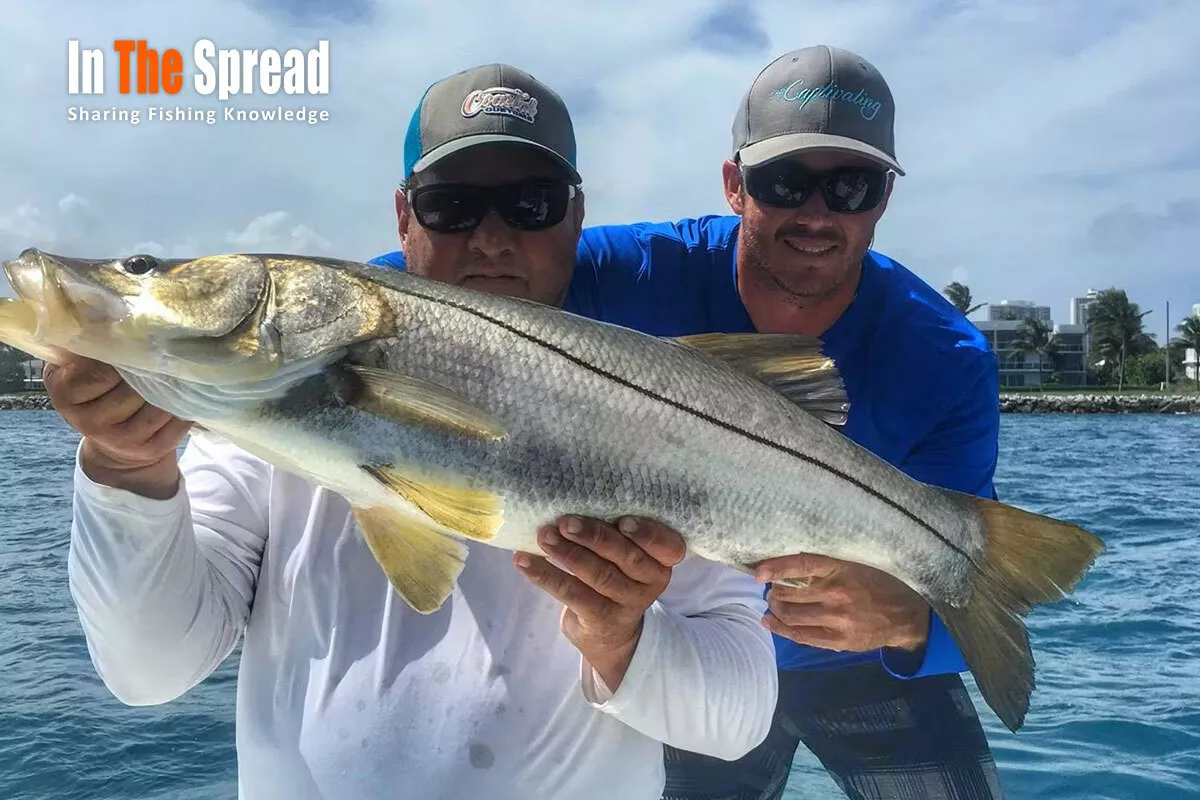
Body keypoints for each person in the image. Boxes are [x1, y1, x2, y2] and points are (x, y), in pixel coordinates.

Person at [52, 64, 780, 800]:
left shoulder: (667, 423)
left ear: (575, 216)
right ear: (404, 217)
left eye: (529, 204)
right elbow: (149, 672)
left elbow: (739, 719)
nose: (491, 238)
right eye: (452, 206)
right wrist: (127, 470)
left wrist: (625, 638)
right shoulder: (250, 416)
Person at [374, 45, 1006, 800]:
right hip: (691, 645)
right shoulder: (627, 270)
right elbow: (429, 298)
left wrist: (910, 624)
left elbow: (967, 574)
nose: (815, 214)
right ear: (734, 185)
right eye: (784, 182)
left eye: (851, 185)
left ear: (884, 198)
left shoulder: (950, 358)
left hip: (862, 665)